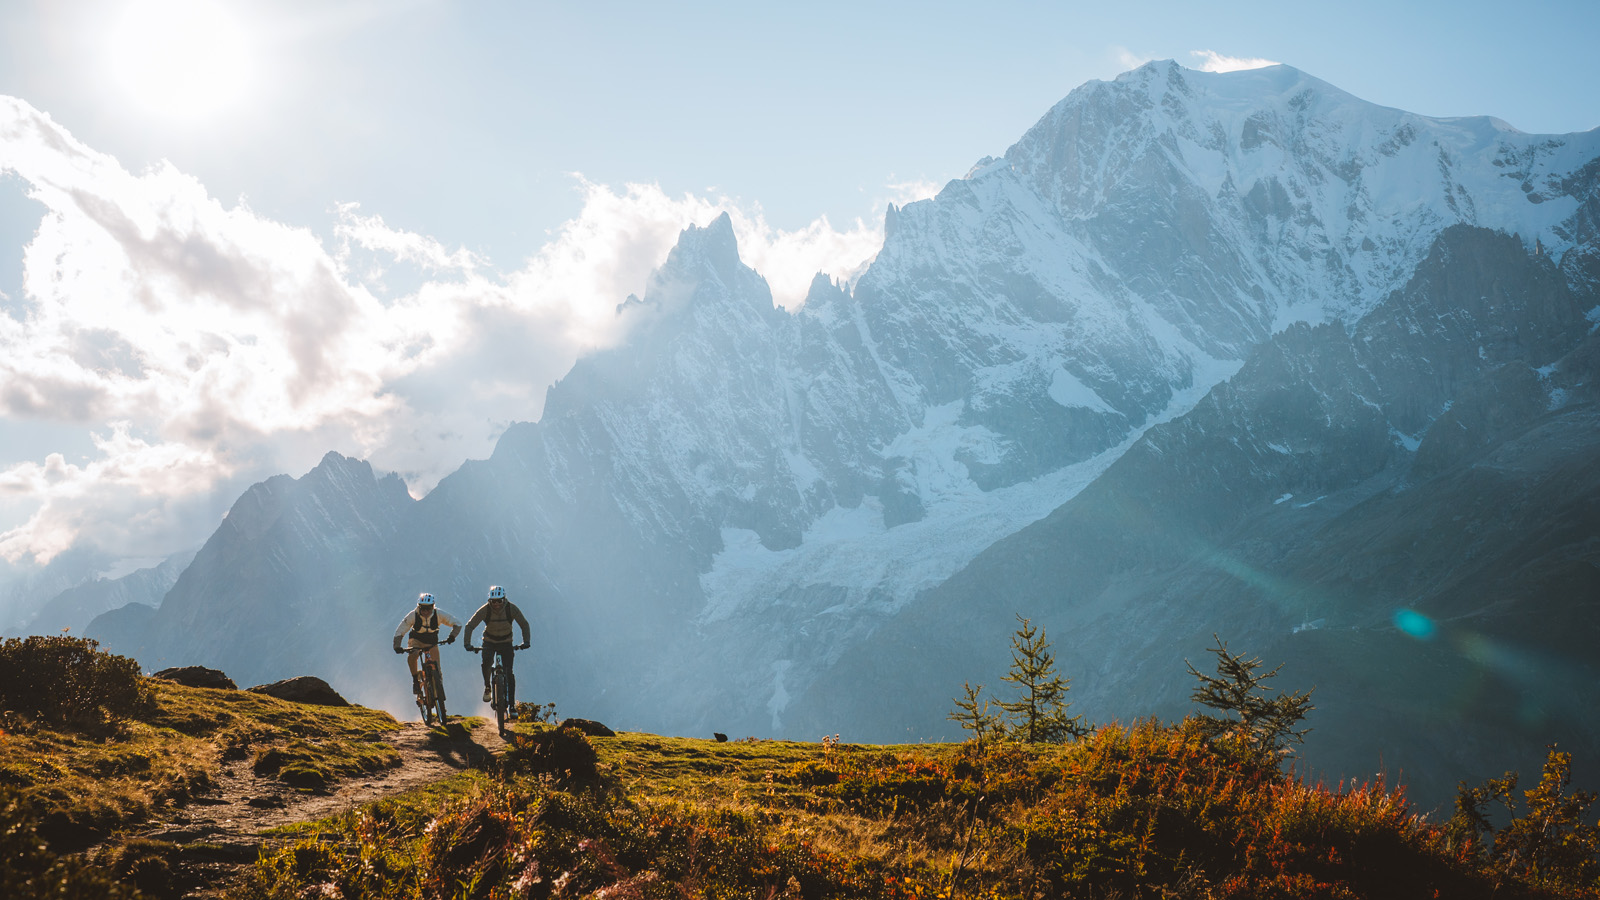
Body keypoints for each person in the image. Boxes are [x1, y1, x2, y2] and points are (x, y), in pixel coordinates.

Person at [463, 585, 530, 705]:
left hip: (506, 642)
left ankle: (512, 706)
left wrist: (526, 641)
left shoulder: (511, 609)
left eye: (499, 601)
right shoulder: (485, 610)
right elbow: (470, 626)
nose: (496, 604)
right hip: (489, 642)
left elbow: (524, 624)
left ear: (504, 599)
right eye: (493, 601)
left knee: (509, 673)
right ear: (490, 601)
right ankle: (488, 687)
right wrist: (467, 643)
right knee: (486, 663)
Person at [392, 593, 462, 697]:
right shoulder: (413, 615)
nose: (425, 611)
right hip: (416, 640)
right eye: (422, 608)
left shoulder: (439, 614)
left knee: (436, 668)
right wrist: (397, 646)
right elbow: (400, 630)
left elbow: (457, 623)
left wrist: (452, 636)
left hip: (431, 642)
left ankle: (438, 695)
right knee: (413, 655)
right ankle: (415, 680)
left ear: (433, 607)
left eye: (428, 609)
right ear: (418, 607)